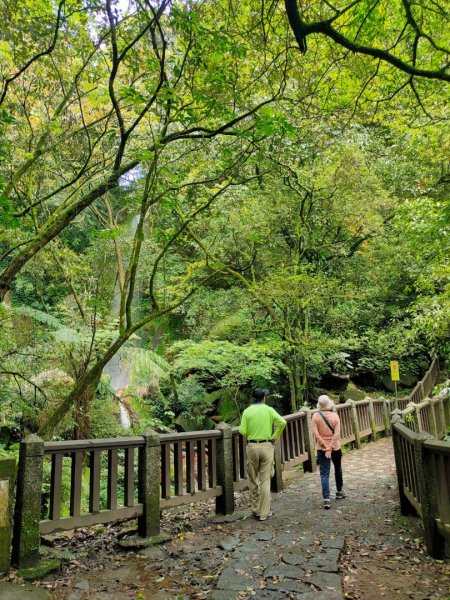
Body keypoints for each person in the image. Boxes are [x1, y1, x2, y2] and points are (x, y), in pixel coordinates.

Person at [239, 388, 286, 521]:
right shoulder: (269, 410)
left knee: (253, 479)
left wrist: (251, 434)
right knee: (265, 480)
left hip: (252, 446)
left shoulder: (247, 411)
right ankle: (264, 513)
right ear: (264, 398)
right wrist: (274, 436)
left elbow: (243, 430)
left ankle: (255, 509)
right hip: (266, 446)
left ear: (253, 398)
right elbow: (283, 422)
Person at [311, 394, 346, 509]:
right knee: (338, 468)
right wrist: (330, 447)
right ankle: (339, 491)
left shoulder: (315, 416)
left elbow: (316, 434)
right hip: (335, 447)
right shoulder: (335, 416)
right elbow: (337, 434)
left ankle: (326, 499)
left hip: (322, 449)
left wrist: (326, 447)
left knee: (324, 473)